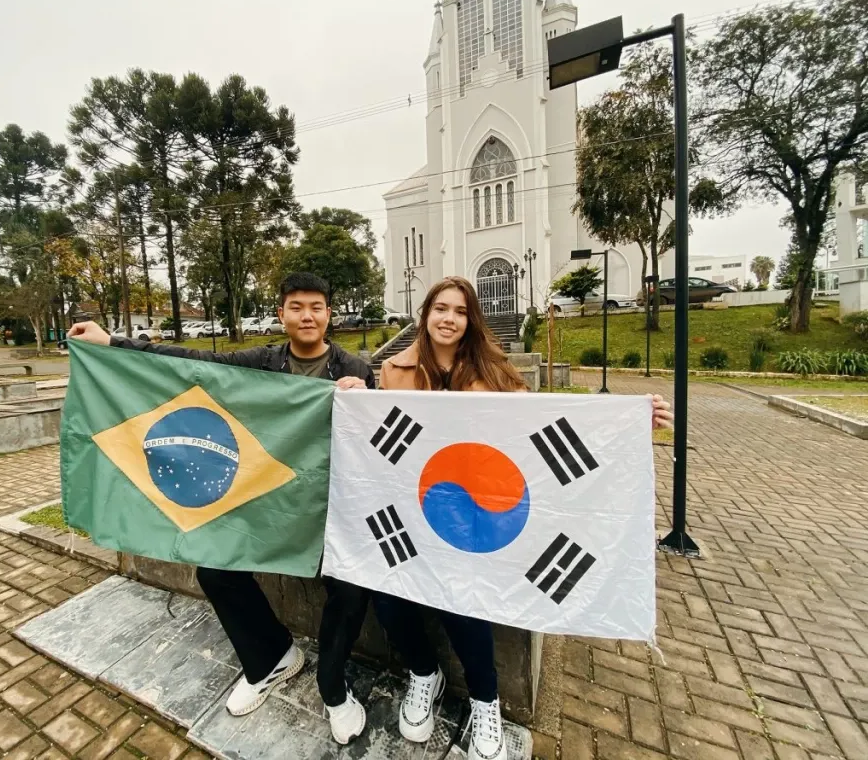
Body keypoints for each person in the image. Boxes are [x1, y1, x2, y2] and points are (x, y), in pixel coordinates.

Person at [376, 276, 673, 760]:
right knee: (387, 597)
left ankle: (485, 701)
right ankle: (423, 674)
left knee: (463, 601)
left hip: (477, 518)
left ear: (471, 319)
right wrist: (351, 392)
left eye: (460, 310)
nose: (449, 318)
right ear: (425, 314)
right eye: (440, 308)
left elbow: (542, 423)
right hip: (418, 511)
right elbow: (375, 432)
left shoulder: (492, 371)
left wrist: (624, 416)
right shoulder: (394, 369)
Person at [68, 272, 370, 745]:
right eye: (296, 306)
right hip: (265, 502)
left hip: (332, 508)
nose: (307, 315)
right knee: (215, 570)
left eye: (316, 306)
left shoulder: (355, 367)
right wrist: (113, 343)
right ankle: (272, 658)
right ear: (282, 314)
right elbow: (192, 364)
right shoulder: (260, 362)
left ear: (329, 313)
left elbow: (375, 445)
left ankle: (333, 687)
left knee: (351, 588)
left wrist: (365, 399)